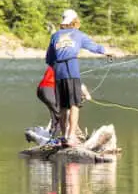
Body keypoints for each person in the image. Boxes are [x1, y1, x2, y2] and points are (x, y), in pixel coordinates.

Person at [45, 9, 107, 146]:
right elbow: (94, 47)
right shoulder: (78, 34)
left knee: (62, 106)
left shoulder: (55, 36)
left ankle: (64, 136)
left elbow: (48, 59)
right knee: (74, 105)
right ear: (74, 22)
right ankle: (71, 136)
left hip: (58, 73)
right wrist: (107, 52)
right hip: (71, 71)